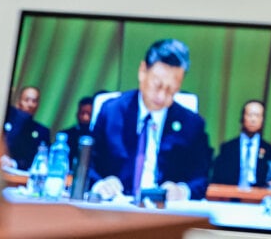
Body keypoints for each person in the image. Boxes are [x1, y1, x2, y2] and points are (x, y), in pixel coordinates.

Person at [90, 38, 211, 201]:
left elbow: (201, 178)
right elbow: (87, 165)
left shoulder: (192, 124)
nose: (161, 96)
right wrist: (101, 184)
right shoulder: (111, 111)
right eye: (157, 85)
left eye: (171, 89)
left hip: (165, 215)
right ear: (142, 71)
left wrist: (182, 191)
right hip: (115, 209)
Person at [210, 100, 271, 188]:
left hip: (259, 196)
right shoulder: (228, 148)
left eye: (257, 116)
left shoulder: (269, 150)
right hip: (231, 195)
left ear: (262, 120)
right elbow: (218, 178)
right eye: (250, 115)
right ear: (242, 118)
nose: (253, 120)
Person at [3, 86, 51, 170]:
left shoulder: (42, 131)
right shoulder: (4, 119)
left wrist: (13, 163)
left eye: (34, 101)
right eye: (26, 100)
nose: (30, 104)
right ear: (19, 102)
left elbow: (39, 160)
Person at [59, 96, 94, 173]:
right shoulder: (66, 135)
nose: (85, 118)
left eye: (89, 114)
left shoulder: (97, 137)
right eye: (82, 113)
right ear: (77, 114)